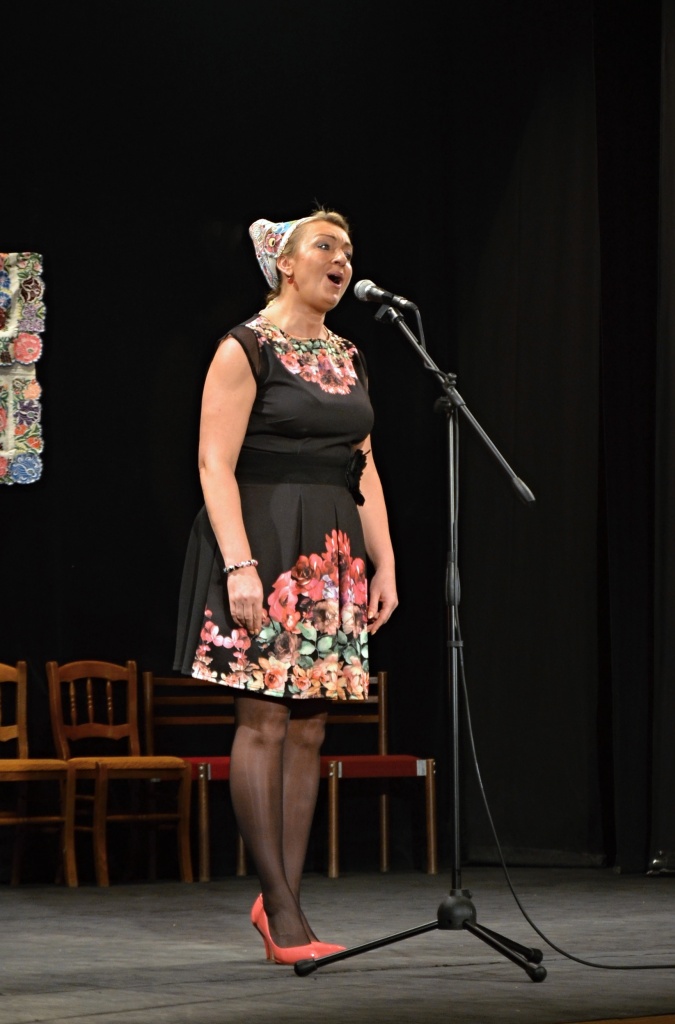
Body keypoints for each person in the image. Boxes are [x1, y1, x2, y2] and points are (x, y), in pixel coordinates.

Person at [173, 206, 398, 965]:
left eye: (349, 250)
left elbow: (364, 464)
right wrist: (238, 565)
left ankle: (285, 901)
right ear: (286, 264)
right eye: (326, 246)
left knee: (309, 727)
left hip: (333, 552)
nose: (343, 260)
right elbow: (214, 464)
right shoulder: (246, 347)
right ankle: (284, 914)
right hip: (264, 545)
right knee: (264, 720)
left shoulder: (348, 354)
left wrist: (384, 562)